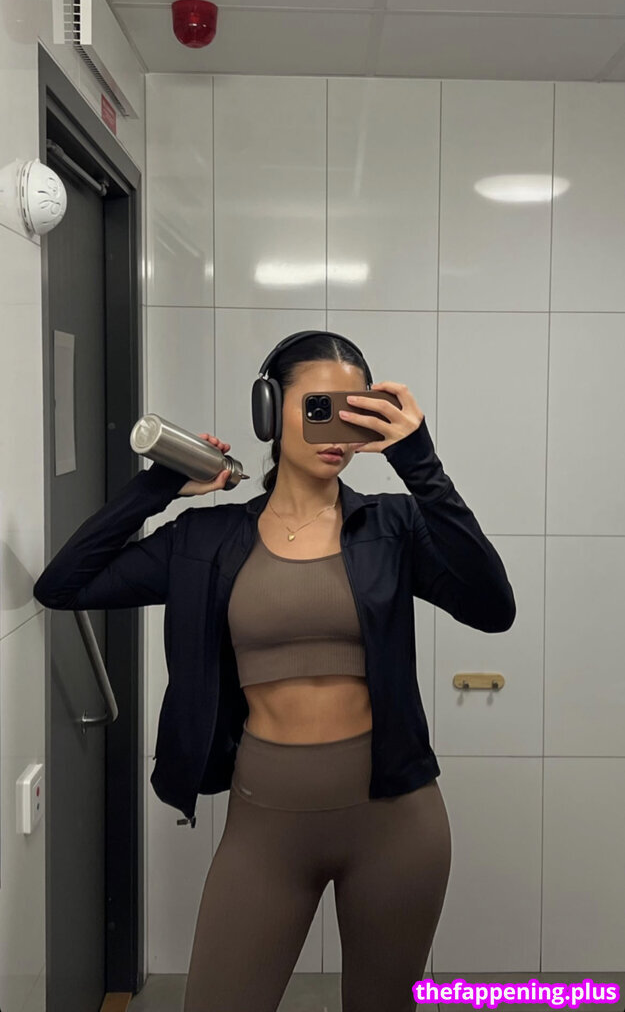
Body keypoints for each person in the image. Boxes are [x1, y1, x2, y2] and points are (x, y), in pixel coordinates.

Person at [182, 332, 456, 1012]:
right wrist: (158, 485)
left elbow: (493, 605)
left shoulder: (390, 525)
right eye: (318, 407)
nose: (337, 431)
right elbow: (65, 584)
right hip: (264, 825)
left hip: (397, 823)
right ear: (268, 410)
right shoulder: (213, 537)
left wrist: (418, 460)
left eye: (353, 411)